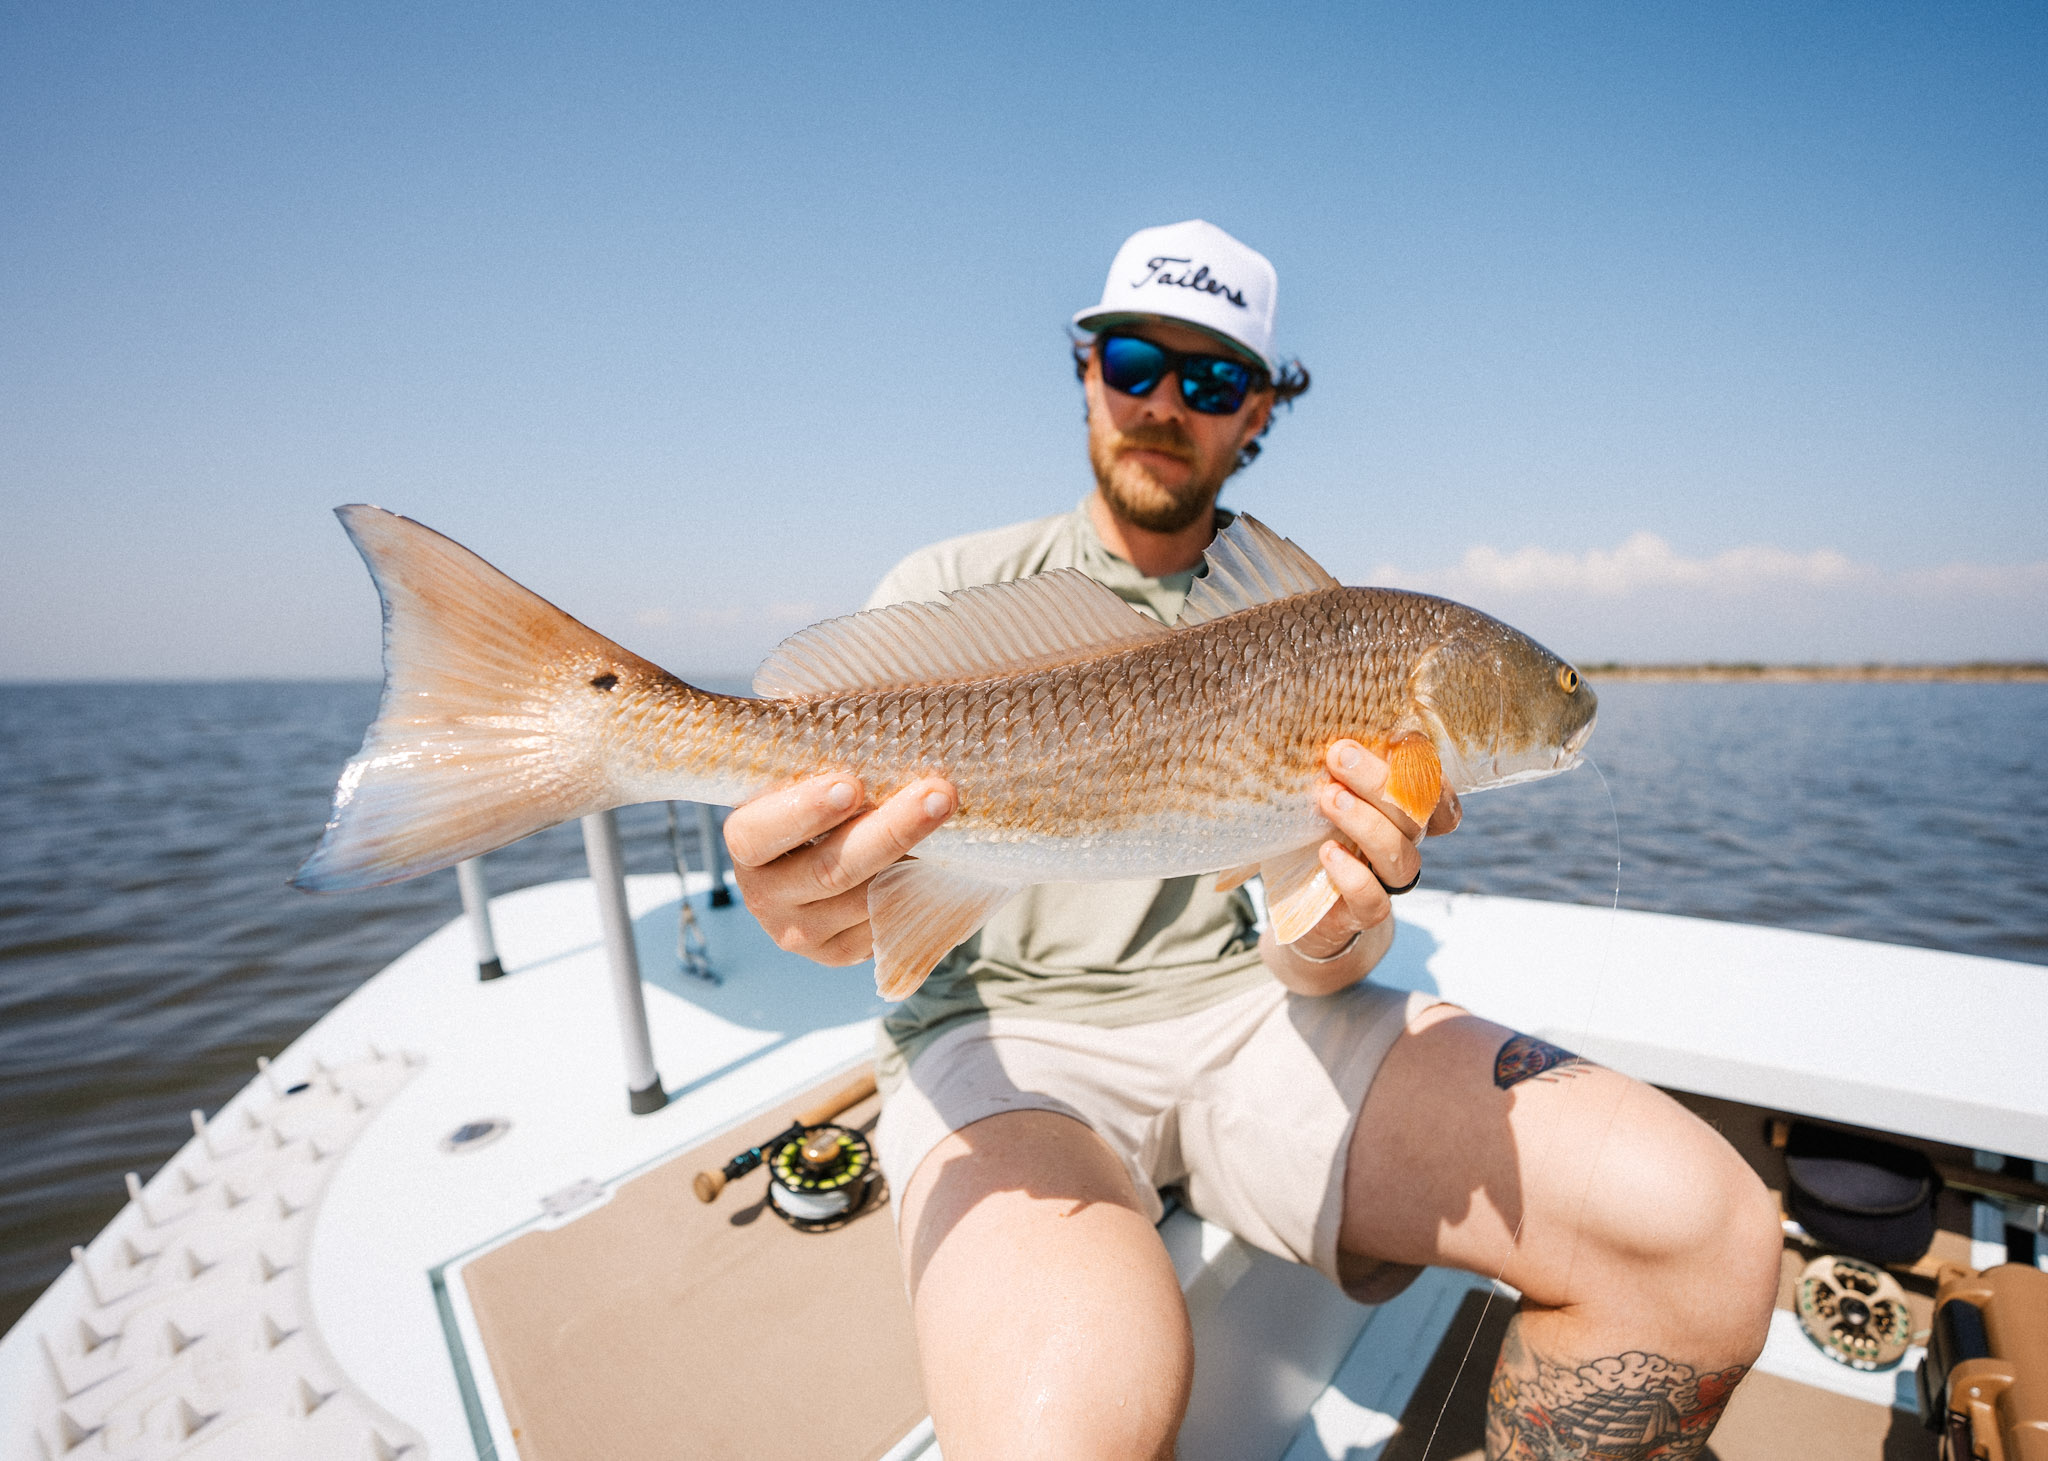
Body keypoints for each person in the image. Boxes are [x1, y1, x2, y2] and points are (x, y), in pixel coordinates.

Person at [723, 220, 1780, 1460]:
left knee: (1703, 1233)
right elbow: (835, 885)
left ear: (1260, 412)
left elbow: (1308, 957)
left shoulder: (1318, 618)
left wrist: (1337, 919)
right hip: (998, 1040)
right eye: (1133, 362)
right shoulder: (944, 588)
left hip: (1252, 1021)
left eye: (1213, 380)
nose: (1166, 404)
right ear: (1084, 372)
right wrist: (797, 906)